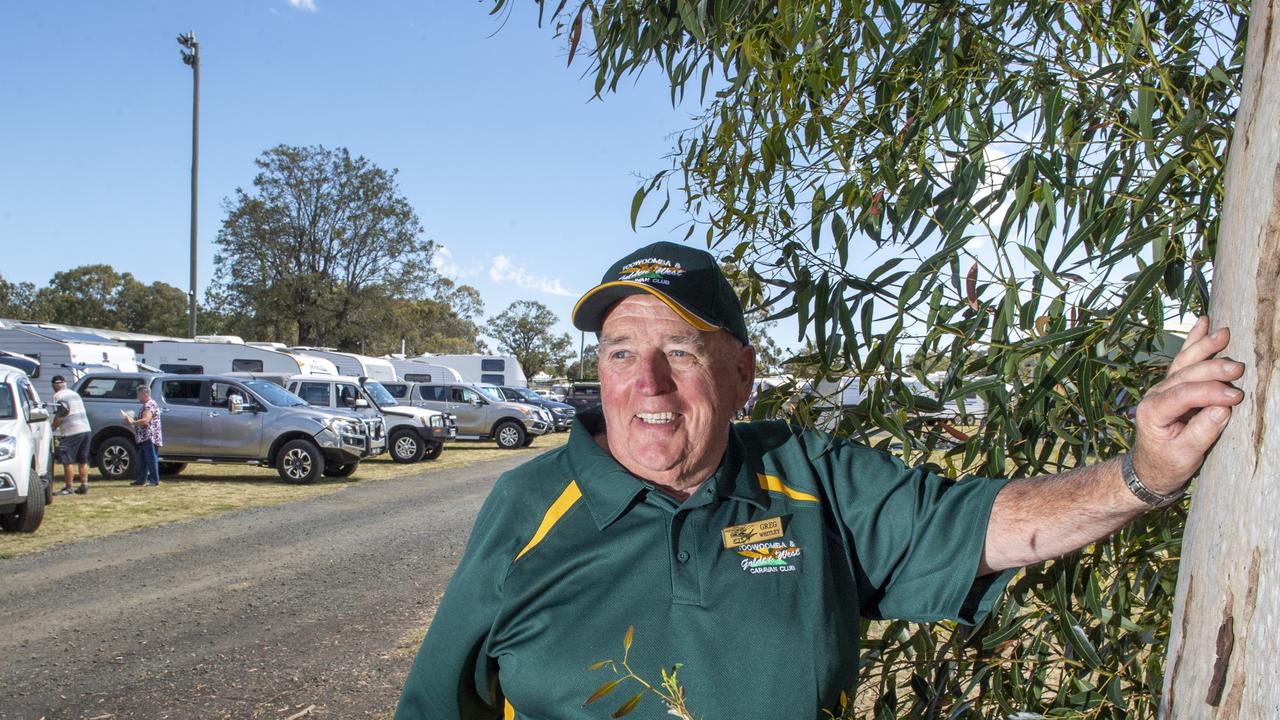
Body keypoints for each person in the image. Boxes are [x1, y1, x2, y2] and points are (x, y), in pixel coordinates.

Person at [395, 242, 1245, 719]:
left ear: (741, 374)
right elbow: (439, 706)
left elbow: (986, 524)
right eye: (621, 353)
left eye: (681, 353)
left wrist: (1145, 473)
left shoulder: (808, 479)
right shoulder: (530, 508)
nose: (647, 383)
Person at [49, 375, 92, 496]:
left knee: (67, 459)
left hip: (72, 431)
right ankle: (84, 485)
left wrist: (52, 427)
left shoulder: (58, 396)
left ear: (53, 386)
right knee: (82, 459)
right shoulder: (74, 394)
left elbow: (61, 414)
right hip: (86, 429)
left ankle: (69, 487)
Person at [127, 384, 163, 487]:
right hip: (144, 437)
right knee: (142, 459)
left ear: (145, 394)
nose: (137, 397)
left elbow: (146, 420)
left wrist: (133, 422)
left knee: (151, 459)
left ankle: (154, 480)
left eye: (138, 394)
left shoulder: (149, 405)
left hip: (149, 437)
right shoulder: (147, 404)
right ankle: (141, 480)